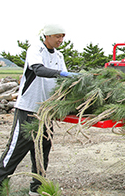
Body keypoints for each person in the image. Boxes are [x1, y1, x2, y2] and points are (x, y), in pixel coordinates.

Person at [0, 24, 77, 196]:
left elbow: (62, 82)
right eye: (57, 36)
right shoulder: (36, 49)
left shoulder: (59, 55)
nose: (61, 40)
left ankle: (36, 189)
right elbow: (38, 69)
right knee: (16, 150)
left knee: (42, 150)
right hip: (28, 109)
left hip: (46, 111)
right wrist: (63, 74)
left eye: (62, 36)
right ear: (47, 36)